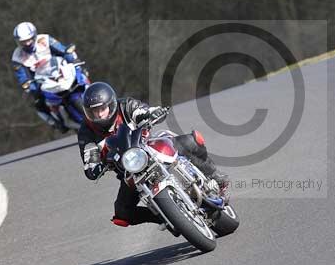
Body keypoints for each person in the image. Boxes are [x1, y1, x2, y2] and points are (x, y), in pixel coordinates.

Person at [77, 82, 229, 227]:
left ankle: (215, 176)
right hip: (129, 171)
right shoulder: (86, 131)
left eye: (101, 109)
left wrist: (152, 113)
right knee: (122, 214)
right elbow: (89, 158)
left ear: (111, 104)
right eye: (93, 111)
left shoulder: (125, 106)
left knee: (191, 140)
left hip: (150, 148)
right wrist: (95, 166)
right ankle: (164, 217)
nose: (98, 114)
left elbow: (142, 111)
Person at [11, 21, 80, 132]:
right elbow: (22, 76)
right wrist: (29, 86)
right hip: (42, 80)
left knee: (80, 73)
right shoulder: (17, 57)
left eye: (29, 39)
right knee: (38, 103)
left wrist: (73, 60)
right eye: (23, 42)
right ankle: (55, 122)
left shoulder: (45, 39)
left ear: (34, 36)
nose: (27, 43)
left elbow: (63, 50)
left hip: (59, 71)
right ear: (18, 42)